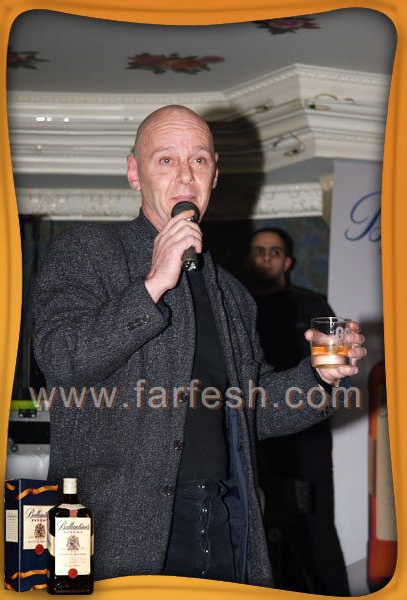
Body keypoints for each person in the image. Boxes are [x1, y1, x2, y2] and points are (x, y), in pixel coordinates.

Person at [31, 105, 366, 587]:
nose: (186, 175)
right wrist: (152, 285)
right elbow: (60, 358)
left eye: (200, 160)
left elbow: (254, 411)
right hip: (118, 528)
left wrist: (318, 377)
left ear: (215, 175)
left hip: (226, 517)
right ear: (135, 173)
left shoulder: (232, 293)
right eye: (166, 159)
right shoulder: (87, 250)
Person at [243, 228, 350, 595]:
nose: (266, 257)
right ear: (249, 260)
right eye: (259, 251)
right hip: (256, 434)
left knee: (315, 529)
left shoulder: (312, 306)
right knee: (258, 530)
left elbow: (334, 370)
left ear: (287, 261)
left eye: (274, 251)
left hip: (307, 440)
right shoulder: (236, 305)